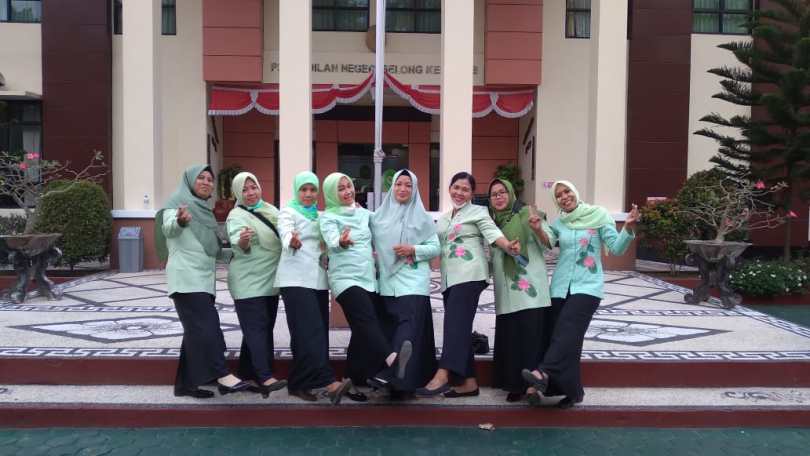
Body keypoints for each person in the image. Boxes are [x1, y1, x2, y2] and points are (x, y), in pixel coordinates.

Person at [522, 180, 639, 408]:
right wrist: (537, 229)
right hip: (559, 288)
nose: (564, 197)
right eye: (559, 195)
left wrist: (628, 228)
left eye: (567, 191)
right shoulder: (560, 222)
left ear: (575, 192)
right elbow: (549, 243)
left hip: (588, 287)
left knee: (566, 331)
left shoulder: (598, 215)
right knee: (568, 340)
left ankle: (542, 373)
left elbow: (616, 248)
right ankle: (573, 392)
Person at [416, 172, 521, 398]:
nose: (459, 193)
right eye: (456, 187)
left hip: (470, 274)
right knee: (460, 327)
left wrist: (507, 246)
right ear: (449, 188)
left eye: (465, 189)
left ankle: (443, 374)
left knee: (454, 325)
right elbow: (431, 243)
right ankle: (469, 383)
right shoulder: (443, 218)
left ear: (472, 194)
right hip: (449, 279)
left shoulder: (478, 212)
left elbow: (493, 233)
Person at [154, 164, 249, 398]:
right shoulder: (177, 204)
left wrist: (239, 250)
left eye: (209, 179)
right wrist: (180, 221)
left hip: (203, 282)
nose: (206, 182)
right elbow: (168, 229)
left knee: (194, 333)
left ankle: (184, 386)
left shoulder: (204, 211)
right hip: (186, 280)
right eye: (201, 178)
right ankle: (222, 374)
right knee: (208, 328)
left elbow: (212, 250)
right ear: (189, 181)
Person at [320, 172, 412, 391]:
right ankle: (392, 359)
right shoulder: (328, 217)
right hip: (344, 279)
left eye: (348, 186)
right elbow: (331, 239)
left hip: (368, 278)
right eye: (340, 189)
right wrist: (341, 241)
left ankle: (352, 380)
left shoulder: (364, 214)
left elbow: (383, 223)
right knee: (366, 318)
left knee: (361, 329)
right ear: (331, 193)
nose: (347, 191)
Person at [275, 171, 352, 405]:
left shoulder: (321, 215)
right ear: (296, 191)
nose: (308, 194)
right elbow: (284, 230)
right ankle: (329, 383)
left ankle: (299, 382)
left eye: (312, 190)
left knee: (308, 333)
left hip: (317, 280)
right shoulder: (288, 212)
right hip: (295, 280)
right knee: (311, 331)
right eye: (304, 189)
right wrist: (290, 240)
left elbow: (332, 236)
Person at [370, 169, 440, 396]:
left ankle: (392, 374)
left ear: (415, 189)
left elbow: (435, 248)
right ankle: (397, 383)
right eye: (398, 184)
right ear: (392, 187)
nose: (402, 189)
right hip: (387, 281)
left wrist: (413, 249)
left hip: (413, 280)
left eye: (408, 185)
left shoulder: (423, 218)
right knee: (391, 329)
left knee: (408, 327)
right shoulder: (377, 218)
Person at [487, 178, 554, 402]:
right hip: (505, 294)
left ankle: (533, 387)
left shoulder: (527, 214)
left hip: (529, 290)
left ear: (511, 194)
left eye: (502, 192)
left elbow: (550, 242)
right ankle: (514, 385)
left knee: (530, 339)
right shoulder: (491, 225)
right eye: (494, 194)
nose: (498, 197)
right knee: (512, 341)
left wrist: (537, 229)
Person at [226, 172, 287, 398]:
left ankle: (246, 373)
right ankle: (265, 376)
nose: (250, 193)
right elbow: (238, 241)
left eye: (253, 187)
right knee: (257, 328)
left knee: (263, 327)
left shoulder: (271, 210)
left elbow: (286, 230)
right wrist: (243, 240)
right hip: (248, 280)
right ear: (237, 193)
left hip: (270, 280)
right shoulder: (236, 215)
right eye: (244, 189)